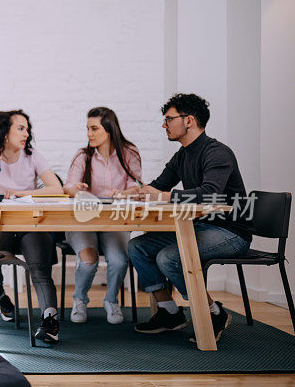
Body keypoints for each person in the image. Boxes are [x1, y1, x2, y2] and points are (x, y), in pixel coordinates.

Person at [119, 93, 252, 342]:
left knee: (169, 257)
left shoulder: (218, 153)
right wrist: (138, 192)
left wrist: (164, 196)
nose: (163, 124)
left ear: (189, 120)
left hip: (231, 232)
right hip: (199, 227)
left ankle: (213, 313)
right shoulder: (182, 155)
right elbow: (159, 186)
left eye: (168, 119)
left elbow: (209, 195)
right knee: (138, 246)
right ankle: (170, 312)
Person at [0, 110, 64, 344]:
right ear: (5, 132)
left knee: (39, 267)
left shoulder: (33, 156)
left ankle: (50, 322)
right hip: (2, 227)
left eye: (27, 128)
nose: (26, 133)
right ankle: (0, 297)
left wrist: (22, 194)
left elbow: (57, 189)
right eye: (20, 128)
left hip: (30, 226)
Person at [63, 107, 142, 325]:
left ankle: (111, 300)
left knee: (118, 261)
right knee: (88, 262)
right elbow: (68, 187)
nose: (89, 133)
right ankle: (80, 299)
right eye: (87, 128)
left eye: (94, 128)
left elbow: (136, 187)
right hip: (83, 221)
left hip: (113, 221)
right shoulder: (82, 155)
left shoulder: (129, 153)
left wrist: (124, 193)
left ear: (109, 129)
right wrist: (75, 189)